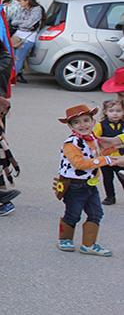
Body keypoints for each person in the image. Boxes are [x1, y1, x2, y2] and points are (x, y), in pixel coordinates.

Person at [55, 105, 124, 256]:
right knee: (73, 214)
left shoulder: (93, 138)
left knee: (96, 213)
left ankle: (89, 244)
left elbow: (96, 154)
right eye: (77, 122)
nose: (83, 125)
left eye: (86, 120)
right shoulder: (71, 143)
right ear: (70, 126)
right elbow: (79, 163)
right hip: (74, 184)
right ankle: (65, 239)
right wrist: (105, 159)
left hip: (90, 183)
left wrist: (112, 151)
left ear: (93, 122)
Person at [95, 99, 124, 205]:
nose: (115, 113)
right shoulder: (100, 125)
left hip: (121, 158)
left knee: (123, 177)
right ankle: (110, 197)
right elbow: (95, 138)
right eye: (111, 111)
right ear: (105, 112)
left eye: (118, 111)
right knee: (107, 179)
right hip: (106, 158)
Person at [10, 0, 43, 83]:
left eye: (21, 1)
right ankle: (14, 75)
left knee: (19, 58)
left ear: (27, 1)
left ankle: (12, 78)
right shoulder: (22, 9)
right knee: (13, 57)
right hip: (18, 35)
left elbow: (29, 24)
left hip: (28, 37)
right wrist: (24, 23)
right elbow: (14, 22)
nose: (19, 3)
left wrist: (22, 23)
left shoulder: (37, 10)